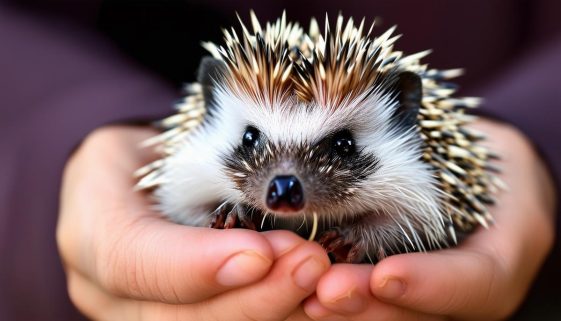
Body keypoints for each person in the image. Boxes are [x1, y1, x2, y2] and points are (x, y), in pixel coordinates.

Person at [1, 1, 560, 320]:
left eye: (340, 146)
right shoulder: (199, 166)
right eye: (251, 143)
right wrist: (56, 151)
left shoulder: (417, 188)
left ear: (403, 121)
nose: (284, 182)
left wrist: (544, 146)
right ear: (212, 109)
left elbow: (430, 217)